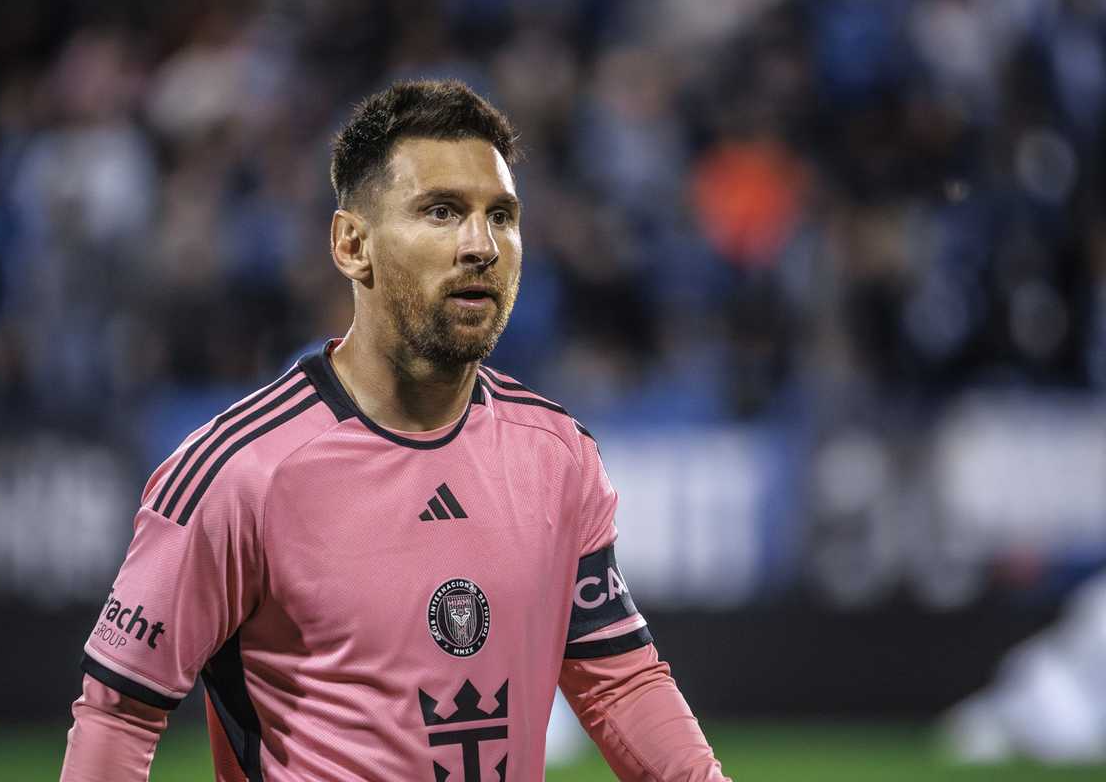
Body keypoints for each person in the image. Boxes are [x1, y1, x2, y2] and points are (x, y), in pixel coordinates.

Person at [60, 79, 729, 782]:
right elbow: (117, 714)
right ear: (353, 245)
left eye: (501, 215)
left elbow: (620, 682)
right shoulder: (240, 472)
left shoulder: (558, 457)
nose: (481, 246)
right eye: (441, 212)